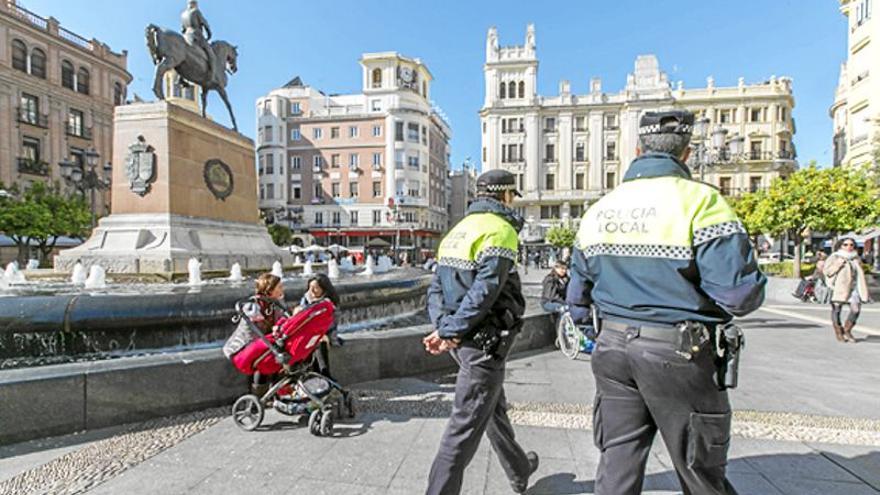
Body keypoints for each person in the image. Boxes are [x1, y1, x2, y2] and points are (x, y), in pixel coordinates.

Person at [567, 110, 765, 495]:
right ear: (687, 154)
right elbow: (739, 295)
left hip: (612, 349)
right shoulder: (702, 202)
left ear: (638, 149)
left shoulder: (600, 209)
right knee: (698, 470)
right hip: (680, 352)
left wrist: (598, 332)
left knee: (617, 463)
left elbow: (577, 300)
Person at [423, 169, 539, 495]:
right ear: (505, 196)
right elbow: (485, 291)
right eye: (512, 196)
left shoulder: (456, 231)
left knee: (492, 409)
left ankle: (519, 469)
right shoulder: (501, 230)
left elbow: (435, 290)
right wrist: (452, 331)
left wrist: (445, 329)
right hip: (484, 343)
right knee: (463, 429)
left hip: (463, 341)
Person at [293, 273, 342, 376]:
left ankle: (324, 374)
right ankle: (313, 375)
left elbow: (332, 323)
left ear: (324, 288)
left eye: (315, 288)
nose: (312, 291)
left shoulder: (330, 302)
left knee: (319, 343)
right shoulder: (306, 299)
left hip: (326, 333)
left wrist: (321, 333)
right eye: (310, 287)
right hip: (308, 333)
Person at [823, 237, 869, 343]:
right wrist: (838, 264)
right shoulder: (835, 257)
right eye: (845, 244)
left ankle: (847, 330)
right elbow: (827, 271)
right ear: (840, 246)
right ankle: (839, 331)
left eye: (851, 245)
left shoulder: (856, 258)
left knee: (856, 309)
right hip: (839, 288)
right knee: (837, 310)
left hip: (854, 288)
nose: (849, 247)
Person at [180, 0, 214, 79]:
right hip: (196, 36)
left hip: (185, 36)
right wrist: (209, 34)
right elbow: (205, 24)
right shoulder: (196, 11)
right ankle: (212, 74)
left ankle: (180, 78)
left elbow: (182, 29)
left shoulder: (183, 14)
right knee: (211, 54)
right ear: (195, 4)